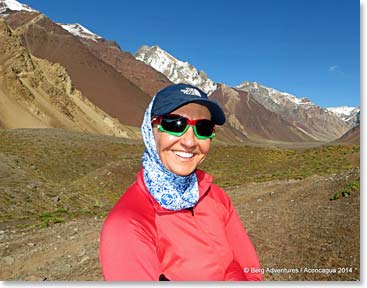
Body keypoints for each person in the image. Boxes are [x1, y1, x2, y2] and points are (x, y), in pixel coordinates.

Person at [99, 83, 262, 281]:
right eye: (174, 124)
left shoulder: (216, 197)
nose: (190, 142)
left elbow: (249, 271)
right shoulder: (128, 223)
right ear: (150, 130)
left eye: (203, 127)